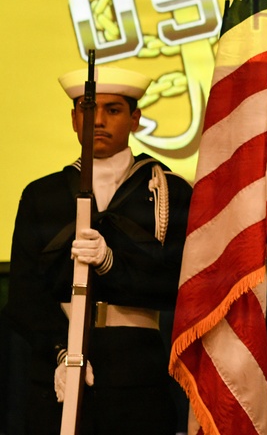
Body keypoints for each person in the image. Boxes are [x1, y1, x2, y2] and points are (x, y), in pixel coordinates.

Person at [4, 66, 192, 434]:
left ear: (135, 118)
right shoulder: (42, 195)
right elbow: (24, 294)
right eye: (88, 109)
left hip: (136, 370)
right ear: (74, 118)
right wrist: (62, 350)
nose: (99, 121)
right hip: (55, 369)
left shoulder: (169, 192)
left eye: (114, 109)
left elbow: (177, 284)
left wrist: (112, 264)